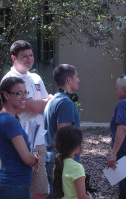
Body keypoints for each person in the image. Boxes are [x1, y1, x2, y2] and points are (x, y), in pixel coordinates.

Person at [1, 40, 51, 199]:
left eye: (31, 55)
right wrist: (43, 102)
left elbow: (46, 107)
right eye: (24, 56)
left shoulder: (36, 77)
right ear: (13, 58)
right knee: (20, 191)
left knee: (39, 191)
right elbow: (36, 107)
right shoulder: (10, 80)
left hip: (39, 142)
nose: (29, 59)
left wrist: (41, 103)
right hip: (19, 143)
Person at [0, 76, 39, 199]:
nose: (24, 97)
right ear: (6, 95)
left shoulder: (3, 118)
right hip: (14, 184)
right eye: (19, 93)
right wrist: (36, 160)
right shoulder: (9, 121)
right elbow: (27, 158)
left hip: (12, 183)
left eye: (25, 92)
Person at [44, 64, 81, 199]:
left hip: (53, 159)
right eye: (76, 77)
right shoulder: (65, 103)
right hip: (63, 161)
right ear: (69, 80)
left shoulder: (53, 100)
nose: (79, 80)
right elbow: (65, 137)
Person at [53, 126, 92, 199]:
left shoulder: (57, 163)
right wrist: (90, 197)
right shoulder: (77, 167)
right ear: (76, 145)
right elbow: (82, 197)